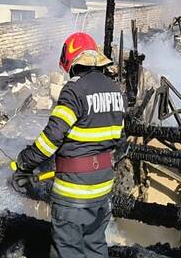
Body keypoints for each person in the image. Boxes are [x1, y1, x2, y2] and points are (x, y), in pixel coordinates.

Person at [12, 32, 125, 258]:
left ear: (71, 61)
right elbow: (120, 141)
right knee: (95, 247)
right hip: (102, 188)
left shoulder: (74, 90)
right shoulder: (115, 90)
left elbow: (52, 137)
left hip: (74, 194)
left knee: (68, 250)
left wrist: (25, 163)